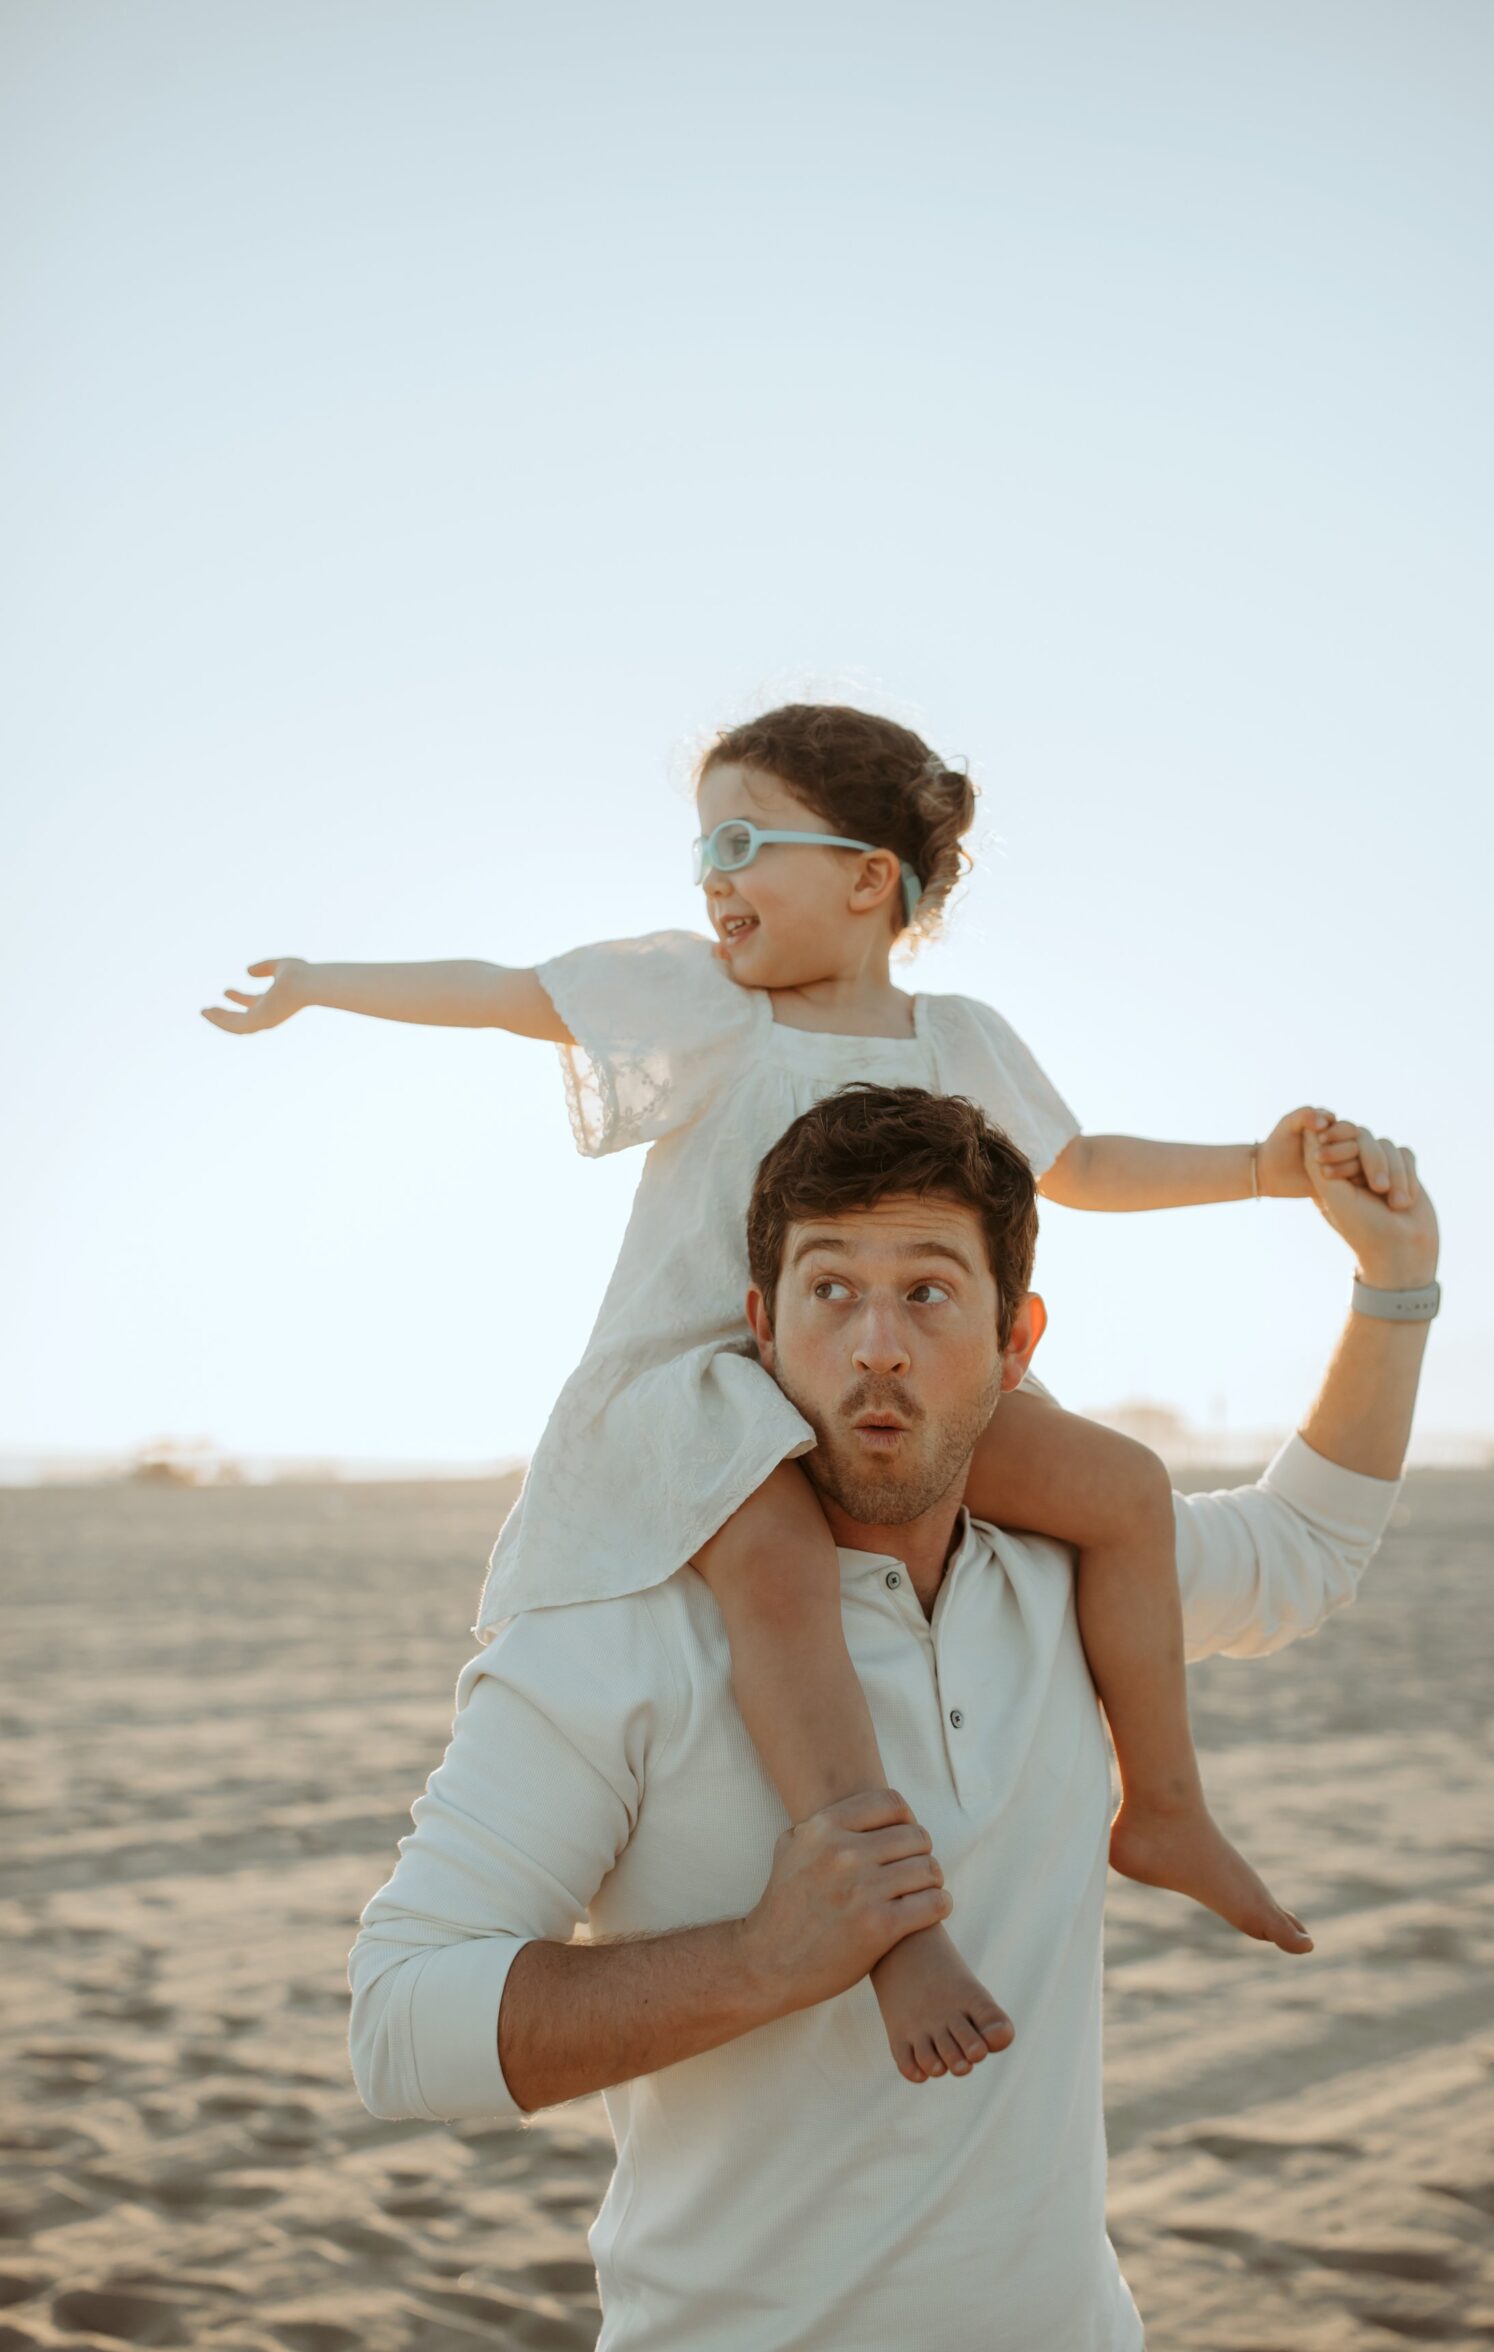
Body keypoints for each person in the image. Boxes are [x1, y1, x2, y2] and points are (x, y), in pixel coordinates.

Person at [208, 700, 1397, 2082]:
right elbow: (511, 989)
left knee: (1121, 1486)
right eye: (700, 846)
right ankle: (891, 1928)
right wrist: (315, 979)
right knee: (775, 1570)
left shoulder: (963, 1038)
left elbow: (1084, 1165)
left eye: (741, 839)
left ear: (867, 875)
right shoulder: (706, 1007)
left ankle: (1169, 1807)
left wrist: (1263, 1166)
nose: (711, 875)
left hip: (897, 1387)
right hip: (711, 1388)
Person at [348, 1082, 1441, 2352]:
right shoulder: (615, 1636)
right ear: (759, 1328)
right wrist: (764, 1960)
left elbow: (1304, 1548)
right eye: (831, 1292)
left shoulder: (1070, 1581)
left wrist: (1394, 1283)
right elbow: (398, 2022)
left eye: (930, 1293)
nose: (875, 1344)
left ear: (1016, 1343)